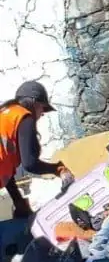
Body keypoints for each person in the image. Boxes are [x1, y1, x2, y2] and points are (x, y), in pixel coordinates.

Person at [0, 81, 75, 218]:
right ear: (34, 103)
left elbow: (4, 170)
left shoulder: (6, 115)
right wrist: (58, 169)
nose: (42, 114)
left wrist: (18, 201)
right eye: (43, 108)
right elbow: (30, 164)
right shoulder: (23, 116)